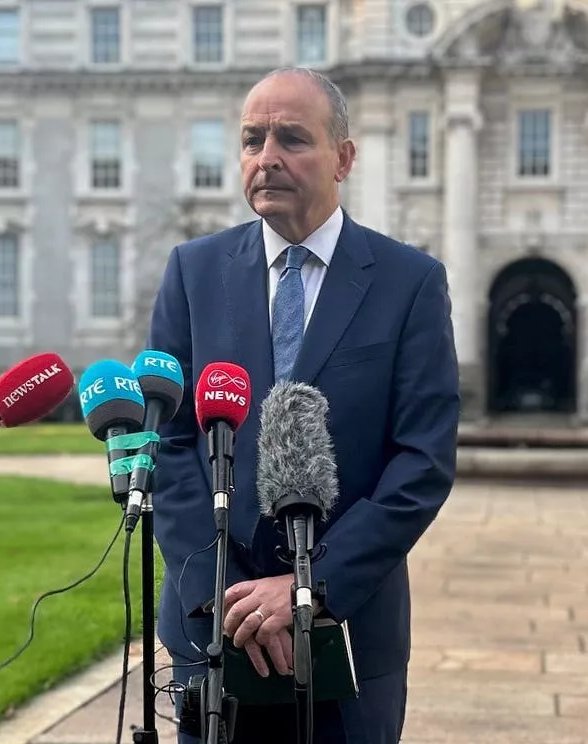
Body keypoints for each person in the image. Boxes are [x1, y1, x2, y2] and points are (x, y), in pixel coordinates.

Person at [149, 67, 460, 744]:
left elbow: (421, 461)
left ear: (344, 157)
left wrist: (306, 591)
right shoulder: (192, 272)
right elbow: (171, 446)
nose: (267, 157)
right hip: (213, 626)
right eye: (252, 139)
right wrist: (228, 597)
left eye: (291, 138)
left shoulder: (409, 282)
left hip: (347, 634)